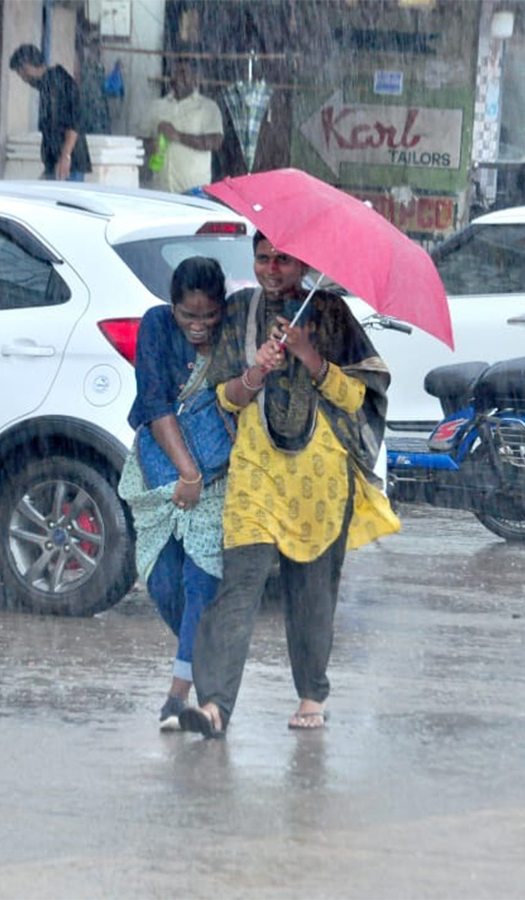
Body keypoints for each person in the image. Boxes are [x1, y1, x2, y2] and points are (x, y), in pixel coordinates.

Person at [178, 233, 401, 738]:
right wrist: (255, 372)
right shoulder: (240, 311)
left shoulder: (332, 314)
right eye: (263, 258)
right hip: (256, 470)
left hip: (319, 477)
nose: (272, 268)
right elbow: (224, 398)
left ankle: (310, 695)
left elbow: (357, 397)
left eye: (283, 259)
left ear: (303, 262)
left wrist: (309, 355)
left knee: (312, 591)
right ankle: (214, 705)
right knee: (239, 585)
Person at [118, 257, 232, 730]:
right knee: (163, 583)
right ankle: (206, 672)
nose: (200, 326)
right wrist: (186, 472)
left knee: (200, 581)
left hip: (218, 472)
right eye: (189, 316)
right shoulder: (155, 327)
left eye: (209, 316)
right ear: (172, 306)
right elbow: (155, 402)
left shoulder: (235, 332)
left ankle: (177, 696)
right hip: (164, 469)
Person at [8, 44, 91, 182]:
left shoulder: (56, 83)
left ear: (26, 68)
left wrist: (66, 156)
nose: (23, 79)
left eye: (20, 73)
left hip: (68, 164)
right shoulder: (47, 84)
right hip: (56, 161)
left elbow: (73, 122)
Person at [141, 58, 223, 195]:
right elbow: (138, 143)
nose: (178, 78)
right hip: (160, 190)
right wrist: (150, 145)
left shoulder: (207, 107)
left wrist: (178, 136)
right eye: (174, 73)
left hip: (194, 191)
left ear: (196, 78)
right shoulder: (156, 106)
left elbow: (215, 142)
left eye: (184, 73)